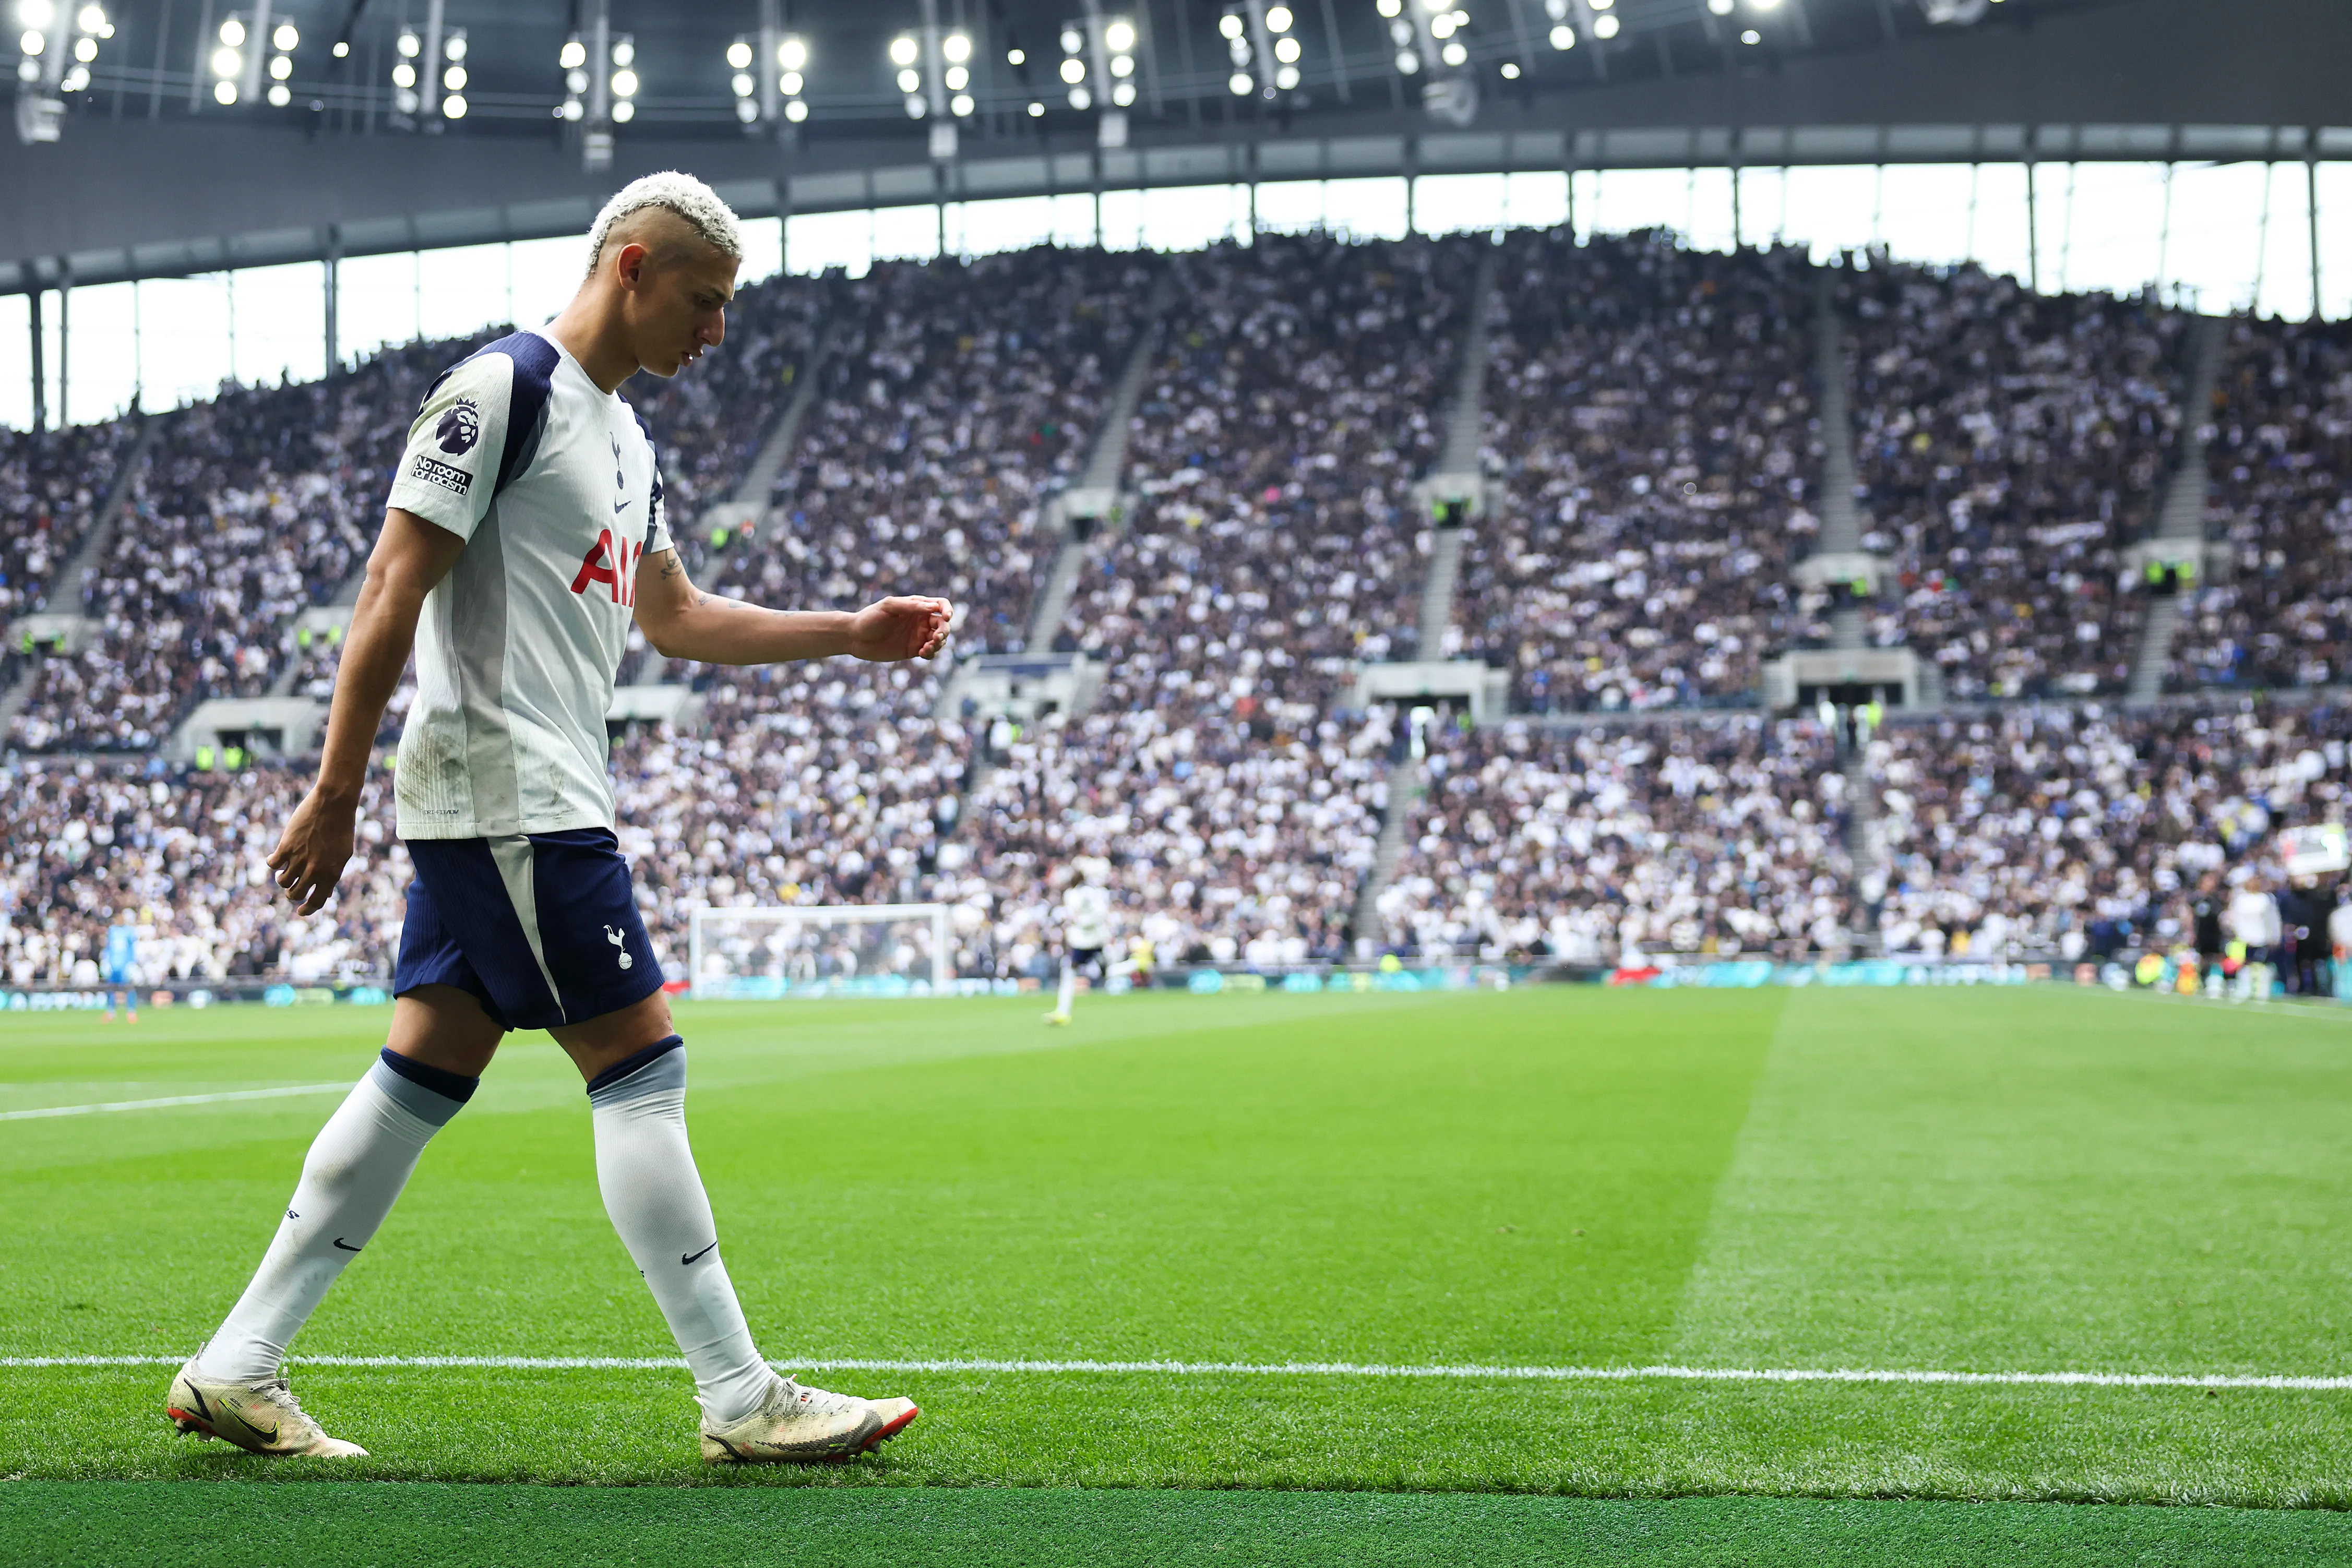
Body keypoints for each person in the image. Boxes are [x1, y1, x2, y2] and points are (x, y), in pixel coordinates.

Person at [167, 173, 951, 1465]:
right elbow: (389, 584)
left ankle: (236, 1365)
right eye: (703, 304)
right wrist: (333, 788)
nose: (715, 334)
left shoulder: (630, 443)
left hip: (527, 798)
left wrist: (847, 635)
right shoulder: (502, 389)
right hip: (509, 793)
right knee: (640, 1066)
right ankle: (740, 1393)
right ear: (631, 268)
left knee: (421, 1075)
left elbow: (674, 617)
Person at [1044, 856, 1113, 1026]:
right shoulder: (1075, 893)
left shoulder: (1088, 893)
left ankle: (1063, 1012)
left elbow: (1099, 914)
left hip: (1090, 939)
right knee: (1070, 972)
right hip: (1082, 940)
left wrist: (1080, 922)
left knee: (1078, 972)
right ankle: (1062, 1012)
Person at [101, 913, 138, 1024]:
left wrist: (132, 963)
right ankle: (111, 1012)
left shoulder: (130, 931)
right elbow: (109, 947)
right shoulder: (112, 931)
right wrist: (106, 960)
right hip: (114, 964)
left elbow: (132, 948)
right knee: (111, 988)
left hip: (125, 964)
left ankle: (131, 1012)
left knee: (128, 988)